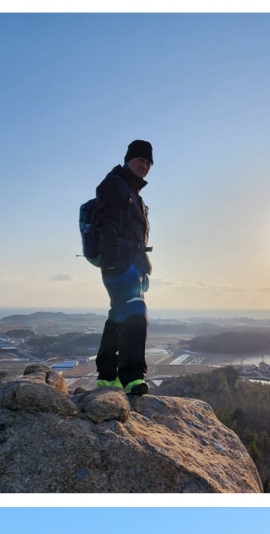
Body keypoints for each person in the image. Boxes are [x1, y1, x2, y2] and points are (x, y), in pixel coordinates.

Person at [93, 140, 154, 396]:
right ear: (129, 159)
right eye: (140, 160)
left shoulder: (136, 195)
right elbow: (105, 223)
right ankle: (131, 377)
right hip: (118, 262)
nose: (144, 166)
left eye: (149, 163)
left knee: (118, 314)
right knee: (136, 312)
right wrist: (114, 260)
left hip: (133, 265)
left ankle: (107, 376)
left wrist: (143, 269)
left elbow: (138, 240)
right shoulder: (114, 184)